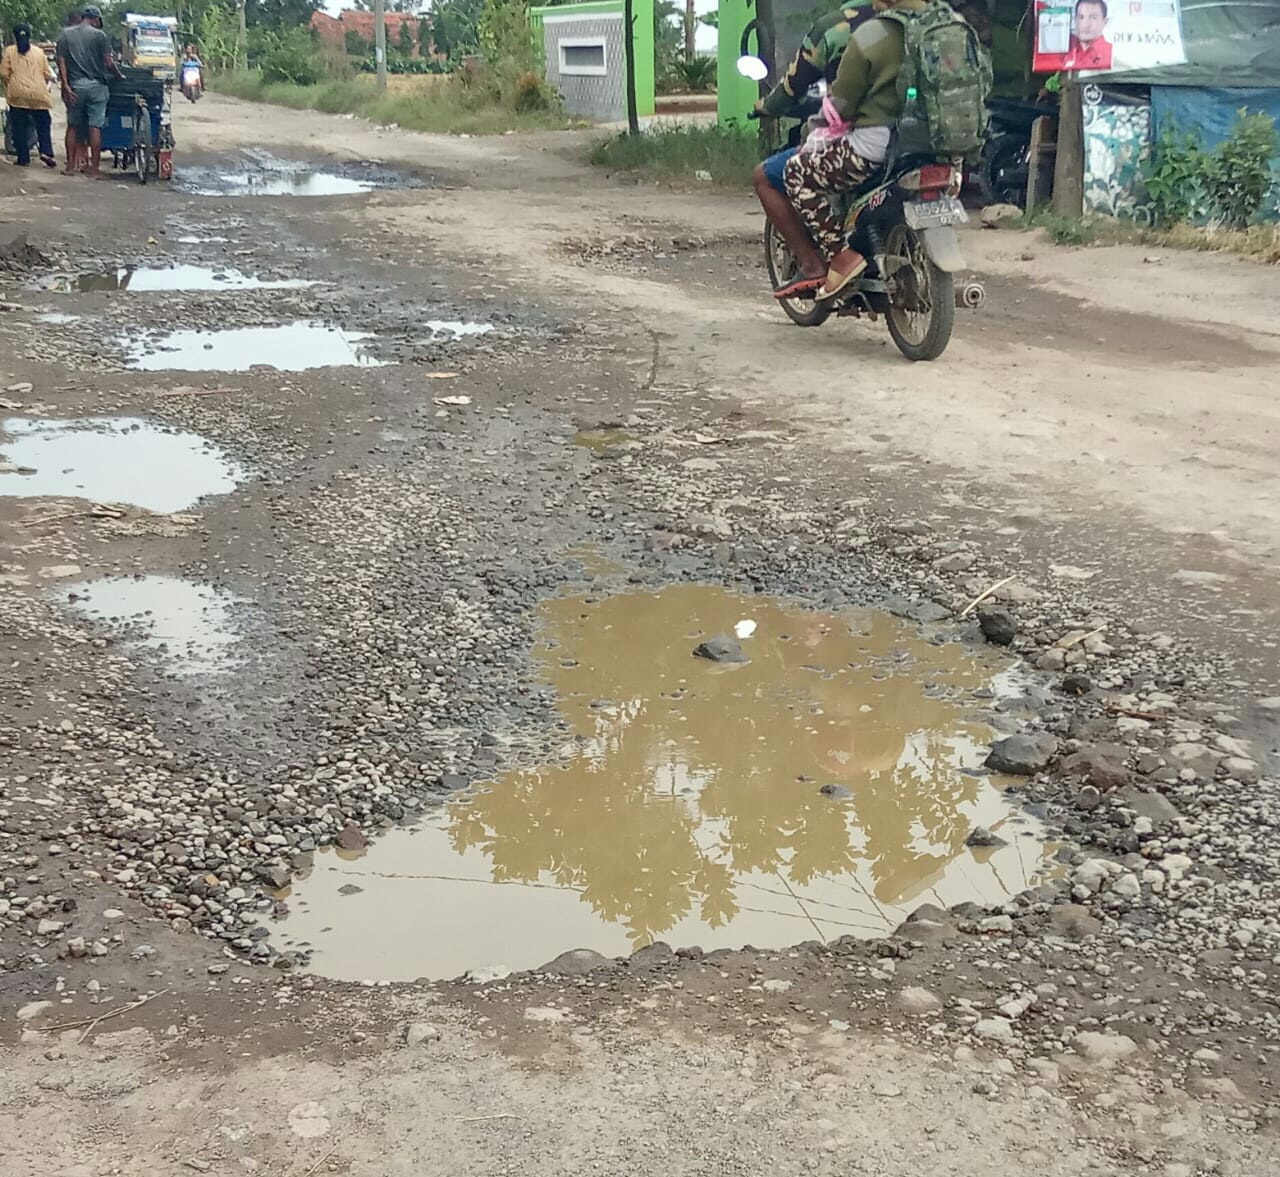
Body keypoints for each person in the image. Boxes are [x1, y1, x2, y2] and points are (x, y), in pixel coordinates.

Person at [779, 0, 933, 300]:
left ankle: (841, 257)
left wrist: (813, 131)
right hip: (936, 141)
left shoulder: (873, 35)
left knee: (796, 172)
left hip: (877, 143)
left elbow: (842, 102)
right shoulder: (943, 25)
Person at [750, 2, 878, 299]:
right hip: (917, 139)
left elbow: (794, 85)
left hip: (861, 140)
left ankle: (814, 264)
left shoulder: (836, 28)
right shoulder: (921, 21)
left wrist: (766, 107)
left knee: (768, 175)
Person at [56, 4, 124, 180]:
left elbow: (61, 61)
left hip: (75, 88)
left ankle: (70, 167)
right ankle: (94, 169)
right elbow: (108, 63)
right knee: (95, 127)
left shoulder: (66, 35)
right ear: (95, 19)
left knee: (72, 126)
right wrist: (119, 76)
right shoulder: (100, 36)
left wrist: (66, 85)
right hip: (96, 88)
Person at [1, 23, 57, 168]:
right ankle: (46, 151)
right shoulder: (39, 52)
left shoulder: (9, 51)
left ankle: (23, 158)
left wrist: (10, 85)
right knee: (43, 124)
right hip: (39, 94)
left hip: (17, 95)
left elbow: (3, 73)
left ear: (14, 36)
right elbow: (47, 73)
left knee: (19, 127)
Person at [1063, 0, 1112, 70]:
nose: (1085, 25)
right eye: (1081, 17)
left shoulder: (1113, 54)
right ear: (1075, 21)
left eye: (1093, 18)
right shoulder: (1066, 53)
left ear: (1105, 22)